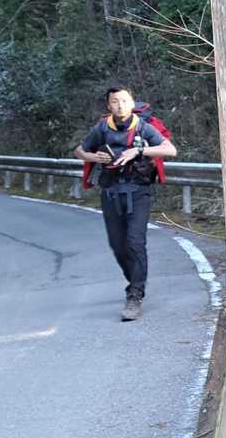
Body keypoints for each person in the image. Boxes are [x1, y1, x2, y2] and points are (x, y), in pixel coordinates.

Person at [74, 85, 177, 320]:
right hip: (111, 192)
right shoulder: (102, 127)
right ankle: (135, 280)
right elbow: (79, 150)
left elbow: (170, 150)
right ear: (108, 105)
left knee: (135, 242)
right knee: (118, 245)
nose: (120, 105)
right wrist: (93, 156)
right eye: (114, 101)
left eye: (123, 101)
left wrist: (138, 151)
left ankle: (135, 295)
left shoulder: (142, 126)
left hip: (138, 192)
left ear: (131, 103)